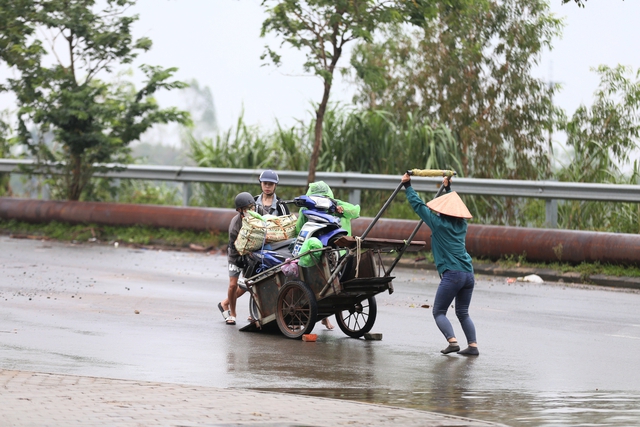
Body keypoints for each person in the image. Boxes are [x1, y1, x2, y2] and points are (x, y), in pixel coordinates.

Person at [401, 172, 479, 356]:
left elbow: (419, 206)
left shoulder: (438, 223)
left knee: (438, 312)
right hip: (468, 274)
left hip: (453, 274)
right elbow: (452, 207)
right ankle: (473, 346)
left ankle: (452, 342)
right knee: (463, 312)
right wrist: (448, 188)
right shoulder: (462, 226)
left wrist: (407, 186)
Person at [295, 181, 361, 330]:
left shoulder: (336, 204)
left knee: (333, 285)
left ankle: (325, 317)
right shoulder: (306, 208)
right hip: (319, 252)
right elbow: (299, 228)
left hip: (341, 251)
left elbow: (355, 211)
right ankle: (322, 317)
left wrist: (341, 209)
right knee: (324, 285)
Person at [218, 192, 254, 325]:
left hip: (251, 253)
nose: (251, 210)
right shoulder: (235, 225)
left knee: (247, 285)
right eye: (246, 208)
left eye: (252, 207)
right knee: (233, 285)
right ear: (239, 210)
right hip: (237, 254)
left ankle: (224, 303)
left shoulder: (258, 215)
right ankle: (232, 313)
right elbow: (237, 246)